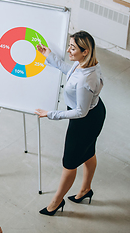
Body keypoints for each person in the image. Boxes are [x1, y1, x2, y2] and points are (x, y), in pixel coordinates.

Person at [35, 31, 106, 216]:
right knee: (88, 151)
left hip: (85, 121)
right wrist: (48, 55)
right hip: (94, 113)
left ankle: (56, 202)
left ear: (85, 51)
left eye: (72, 48)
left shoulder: (85, 80)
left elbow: (80, 112)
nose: (68, 50)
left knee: (69, 163)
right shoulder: (86, 64)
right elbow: (70, 70)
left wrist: (51, 114)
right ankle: (85, 190)